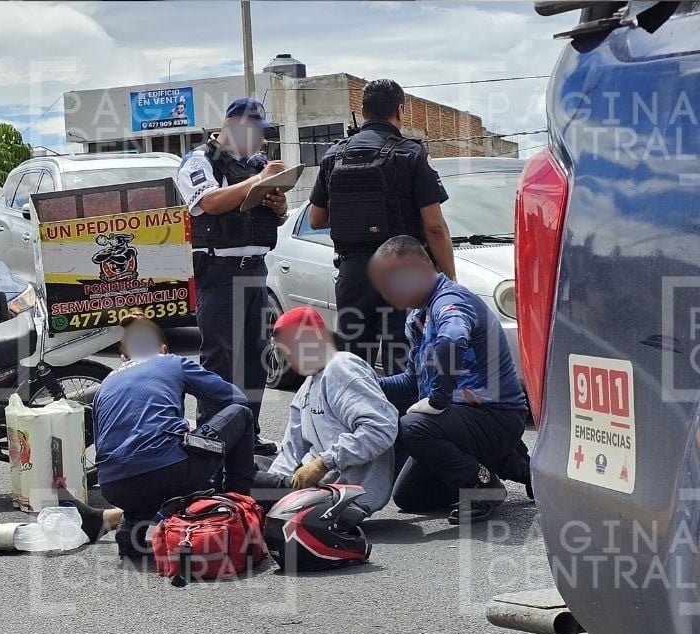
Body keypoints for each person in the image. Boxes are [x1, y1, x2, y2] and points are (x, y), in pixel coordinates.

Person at [369, 236, 527, 524]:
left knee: (412, 427)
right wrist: (364, 385)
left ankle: (483, 485)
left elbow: (452, 341)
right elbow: (412, 381)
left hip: (495, 415)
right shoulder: (418, 315)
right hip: (459, 421)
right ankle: (505, 460)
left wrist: (437, 399)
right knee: (409, 497)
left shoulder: (450, 300)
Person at [308, 79, 456, 375]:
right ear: (399, 110)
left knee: (352, 366)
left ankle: (354, 407)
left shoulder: (334, 155)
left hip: (352, 276)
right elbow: (435, 227)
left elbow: (316, 219)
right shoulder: (412, 154)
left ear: (363, 111)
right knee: (402, 362)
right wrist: (449, 280)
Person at [175, 97, 288, 453]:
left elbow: (274, 215)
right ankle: (213, 438)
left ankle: (247, 433)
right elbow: (208, 202)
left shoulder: (256, 164)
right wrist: (258, 180)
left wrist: (279, 206)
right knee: (220, 361)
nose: (259, 140)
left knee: (256, 357)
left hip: (256, 270)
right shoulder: (198, 161)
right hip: (219, 273)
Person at [93, 312, 256, 556]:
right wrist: (204, 433)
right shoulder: (171, 362)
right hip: (168, 473)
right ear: (163, 349)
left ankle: (133, 524)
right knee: (241, 414)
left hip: (113, 487)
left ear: (124, 357)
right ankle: (238, 509)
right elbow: (234, 398)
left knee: (145, 466)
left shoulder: (105, 384)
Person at [253, 307, 397, 518]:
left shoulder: (342, 367)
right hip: (311, 486)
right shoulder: (308, 385)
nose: (288, 359)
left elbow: (382, 429)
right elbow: (291, 450)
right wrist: (272, 492)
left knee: (241, 479)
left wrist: (323, 462)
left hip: (342, 496)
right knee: (247, 467)